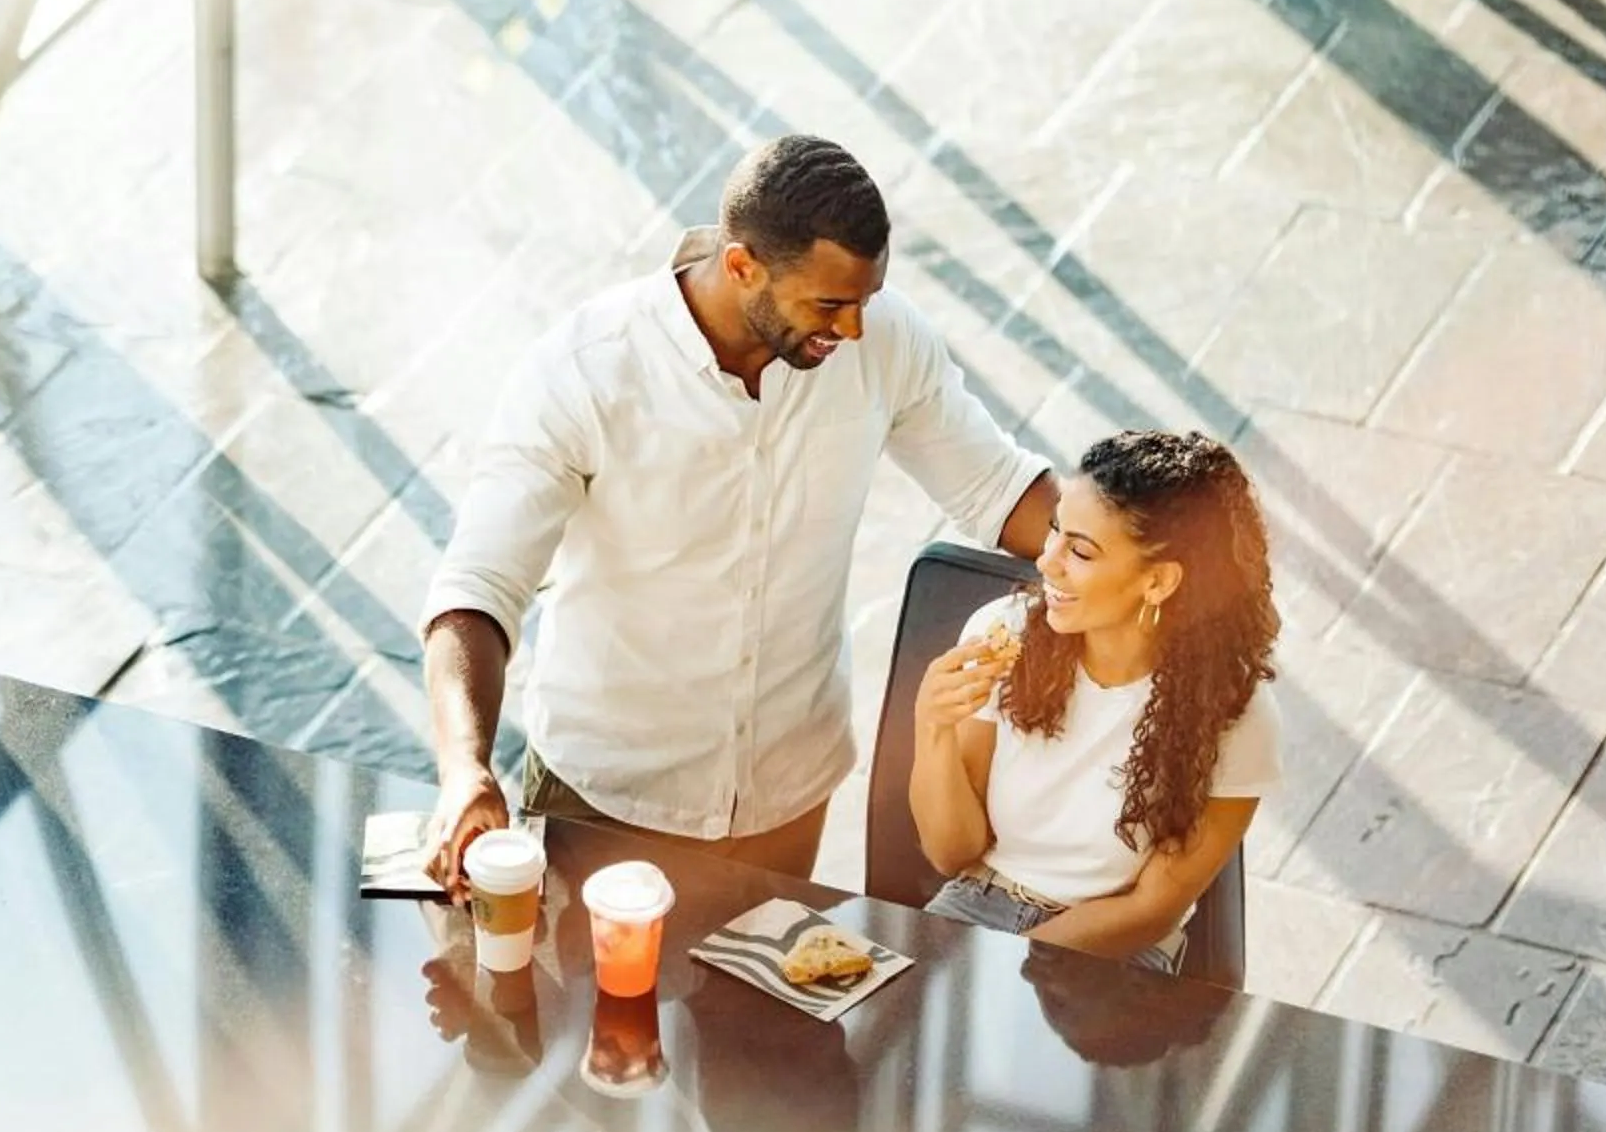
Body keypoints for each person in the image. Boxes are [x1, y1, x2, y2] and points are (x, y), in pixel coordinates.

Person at [420, 135, 1058, 891]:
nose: (852, 328)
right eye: (828, 304)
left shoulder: (880, 342)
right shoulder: (587, 370)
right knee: (598, 1009)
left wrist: (1138, 559)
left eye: (866, 299)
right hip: (609, 799)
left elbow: (998, 490)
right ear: (741, 267)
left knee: (759, 1010)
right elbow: (480, 586)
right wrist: (465, 766)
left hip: (788, 794)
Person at [908, 430, 1283, 975]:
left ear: (1157, 582)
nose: (1046, 561)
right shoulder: (1000, 633)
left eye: (1081, 551)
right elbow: (952, 853)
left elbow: (1152, 909)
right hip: (978, 901)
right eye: (1056, 529)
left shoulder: (1235, 711)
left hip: (1116, 946)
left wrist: (1014, 968)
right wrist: (933, 728)